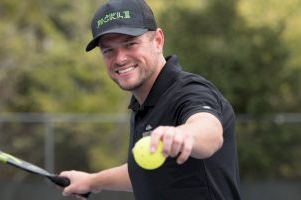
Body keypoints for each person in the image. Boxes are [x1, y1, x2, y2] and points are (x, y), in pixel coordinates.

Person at [59, 0, 241, 199]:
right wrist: (92, 181)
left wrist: (184, 134)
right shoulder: (143, 105)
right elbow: (144, 172)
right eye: (108, 50)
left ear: (158, 41)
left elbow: (210, 132)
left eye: (130, 44)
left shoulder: (189, 91)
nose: (120, 58)